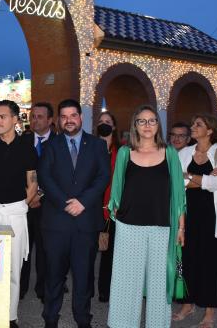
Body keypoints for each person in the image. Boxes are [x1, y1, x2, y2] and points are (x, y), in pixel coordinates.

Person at [107, 105, 186, 328]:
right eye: (142, 121)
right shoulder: (125, 152)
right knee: (126, 282)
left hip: (162, 226)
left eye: (152, 120)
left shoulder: (169, 153)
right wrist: (115, 211)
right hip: (128, 226)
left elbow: (179, 195)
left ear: (158, 125)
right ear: (135, 125)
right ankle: (122, 324)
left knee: (159, 284)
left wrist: (181, 228)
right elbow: (117, 189)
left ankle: (157, 324)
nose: (147, 125)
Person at [38, 99, 110, 327]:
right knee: (53, 276)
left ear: (81, 117)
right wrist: (65, 203)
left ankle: (82, 318)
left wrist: (84, 202)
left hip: (85, 222)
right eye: (64, 116)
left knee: (84, 275)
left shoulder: (97, 145)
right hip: (56, 222)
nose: (69, 120)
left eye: (73, 115)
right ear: (59, 120)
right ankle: (50, 318)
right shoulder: (51, 145)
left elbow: (103, 177)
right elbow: (45, 177)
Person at [0, 100, 38, 328]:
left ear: (14, 119)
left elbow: (32, 183)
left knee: (13, 269)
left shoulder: (27, 147)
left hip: (15, 215)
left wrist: (18, 204)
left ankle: (10, 317)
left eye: (2, 116)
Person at [175, 114, 217, 328]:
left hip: (211, 216)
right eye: (193, 123)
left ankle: (209, 311)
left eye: (198, 124)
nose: (193, 127)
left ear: (209, 131)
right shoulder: (185, 152)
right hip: (187, 215)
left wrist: (189, 177)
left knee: (210, 262)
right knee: (187, 259)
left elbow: (215, 184)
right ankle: (187, 304)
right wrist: (200, 179)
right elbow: (177, 181)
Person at [20, 102, 55, 302]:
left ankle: (42, 288)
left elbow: (59, 175)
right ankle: (21, 288)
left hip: (47, 206)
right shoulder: (22, 141)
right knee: (23, 248)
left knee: (44, 250)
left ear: (50, 120)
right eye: (33, 116)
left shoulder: (59, 143)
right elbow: (16, 173)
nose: (35, 120)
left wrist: (39, 195)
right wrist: (28, 196)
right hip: (24, 204)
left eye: (40, 116)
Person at [95, 111, 120, 303]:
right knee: (88, 250)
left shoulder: (122, 151)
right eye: (101, 122)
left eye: (108, 122)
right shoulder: (89, 148)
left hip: (113, 209)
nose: (104, 125)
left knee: (110, 251)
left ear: (114, 127)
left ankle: (107, 289)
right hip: (92, 206)